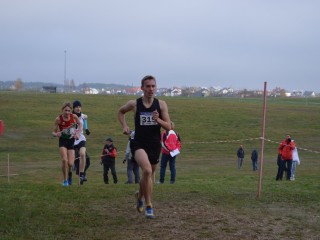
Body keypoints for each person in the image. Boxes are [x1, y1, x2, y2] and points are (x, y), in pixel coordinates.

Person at [118, 75, 171, 219]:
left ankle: (140, 196)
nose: (151, 89)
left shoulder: (161, 105)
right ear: (142, 88)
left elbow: (169, 127)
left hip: (154, 144)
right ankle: (149, 205)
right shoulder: (134, 104)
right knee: (147, 170)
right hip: (139, 143)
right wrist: (125, 126)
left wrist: (157, 119)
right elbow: (120, 112)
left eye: (153, 86)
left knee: (148, 176)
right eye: (148, 86)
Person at [52, 102, 82, 186]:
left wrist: (78, 133)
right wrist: (56, 134)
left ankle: (70, 175)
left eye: (69, 110)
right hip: (62, 141)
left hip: (71, 141)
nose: (67, 112)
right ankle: (65, 181)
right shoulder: (58, 119)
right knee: (64, 160)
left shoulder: (74, 117)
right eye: (65, 110)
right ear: (62, 110)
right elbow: (53, 132)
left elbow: (80, 124)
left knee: (71, 164)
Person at [72, 100, 91, 185]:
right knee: (73, 160)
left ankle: (82, 174)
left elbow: (85, 119)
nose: (78, 108)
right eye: (76, 107)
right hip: (72, 139)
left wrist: (86, 129)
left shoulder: (83, 116)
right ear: (73, 108)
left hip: (81, 138)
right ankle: (69, 178)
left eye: (79, 107)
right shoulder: (70, 116)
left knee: (83, 154)